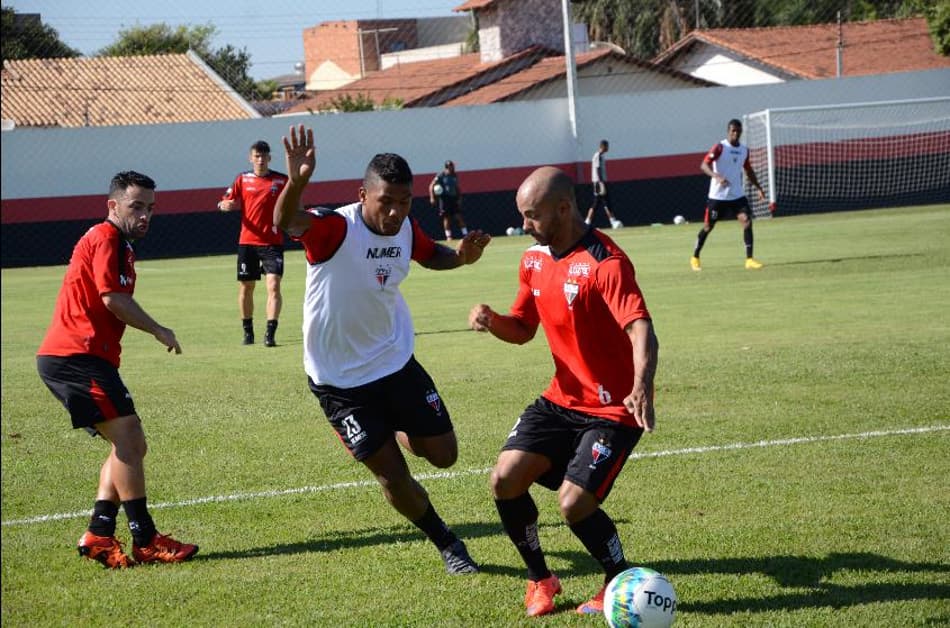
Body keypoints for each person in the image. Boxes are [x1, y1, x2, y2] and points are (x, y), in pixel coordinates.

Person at [274, 124, 491, 575]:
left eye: (403, 202)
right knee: (392, 475)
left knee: (445, 455)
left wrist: (462, 257)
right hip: (339, 381)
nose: (394, 212)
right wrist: (296, 181)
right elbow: (284, 223)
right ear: (363, 195)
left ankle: (390, 428)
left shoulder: (407, 228)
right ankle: (447, 542)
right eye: (385, 202)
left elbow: (432, 254)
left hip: (394, 362)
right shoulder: (335, 228)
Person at [469, 166, 658, 617]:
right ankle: (540, 579)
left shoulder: (606, 262)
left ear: (563, 208)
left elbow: (641, 330)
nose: (525, 225)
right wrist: (493, 320)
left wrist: (641, 387)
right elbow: (522, 331)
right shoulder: (533, 260)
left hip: (612, 411)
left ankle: (617, 580)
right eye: (522, 216)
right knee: (505, 479)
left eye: (532, 216)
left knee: (573, 503)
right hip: (560, 400)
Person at [36, 171, 198, 569]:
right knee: (129, 438)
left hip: (83, 357)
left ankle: (99, 533)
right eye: (136, 206)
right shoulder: (107, 238)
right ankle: (145, 539)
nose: (145, 215)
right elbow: (113, 299)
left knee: (129, 443)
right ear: (113, 206)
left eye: (150, 208)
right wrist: (159, 329)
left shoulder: (118, 242)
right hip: (76, 356)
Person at [218, 140, 288, 346]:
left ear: (269, 158)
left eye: (264, 156)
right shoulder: (242, 179)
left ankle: (270, 334)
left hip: (272, 242)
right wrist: (224, 205)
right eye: (256, 156)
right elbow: (225, 201)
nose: (260, 160)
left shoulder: (281, 180)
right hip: (247, 242)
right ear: (251, 158)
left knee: (274, 285)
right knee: (246, 287)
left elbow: (294, 202)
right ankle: (248, 332)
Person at [690, 119, 767, 271]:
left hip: (736, 195)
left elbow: (748, 170)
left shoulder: (744, 150)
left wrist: (758, 187)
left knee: (746, 221)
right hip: (718, 197)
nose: (736, 134)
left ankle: (749, 259)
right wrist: (716, 176)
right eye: (733, 131)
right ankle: (695, 257)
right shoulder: (720, 147)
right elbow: (703, 165)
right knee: (708, 227)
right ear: (728, 131)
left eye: (738, 131)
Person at [585, 140, 622, 229]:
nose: (608, 148)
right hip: (599, 183)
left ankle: (612, 221)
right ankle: (587, 222)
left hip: (600, 182)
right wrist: (601, 183)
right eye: (607, 146)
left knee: (604, 202)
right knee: (598, 203)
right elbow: (598, 169)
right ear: (603, 146)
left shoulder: (601, 156)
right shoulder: (598, 156)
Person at [429, 160, 468, 240]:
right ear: (447, 167)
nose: (453, 167)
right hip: (444, 199)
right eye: (451, 166)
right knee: (447, 218)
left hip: (453, 199)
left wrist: (459, 197)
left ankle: (466, 235)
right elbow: (431, 185)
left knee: (458, 217)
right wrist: (432, 197)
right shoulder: (441, 175)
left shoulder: (454, 175)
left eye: (453, 166)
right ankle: (448, 236)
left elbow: (457, 187)